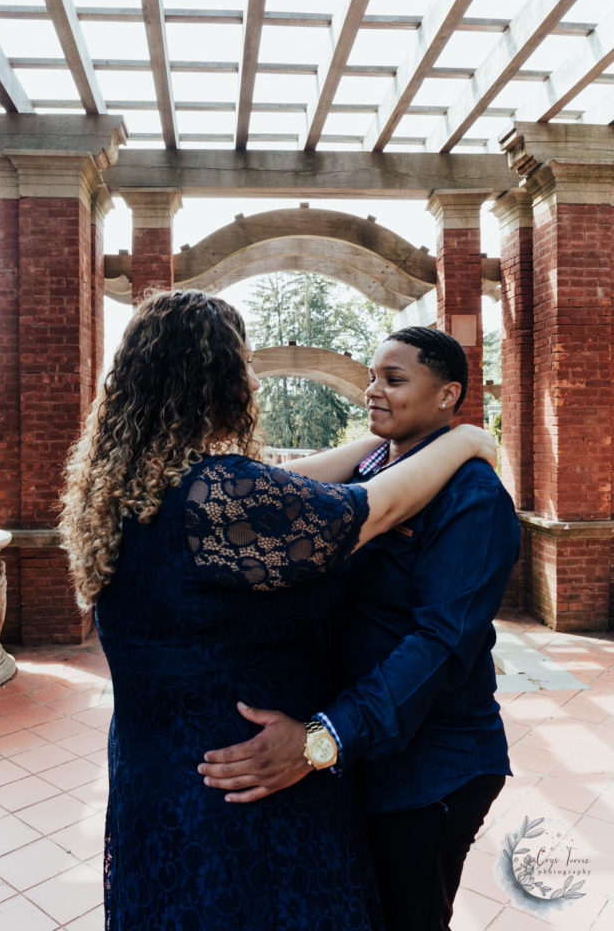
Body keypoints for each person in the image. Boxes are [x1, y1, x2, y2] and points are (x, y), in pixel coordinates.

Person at [59, 293, 497, 931]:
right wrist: (468, 441)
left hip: (158, 775)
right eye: (243, 363)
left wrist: (379, 450)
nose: (253, 378)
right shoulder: (218, 495)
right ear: (214, 378)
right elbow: (368, 509)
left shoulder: (135, 484)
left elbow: (302, 488)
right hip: (244, 792)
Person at [201, 326, 520, 931]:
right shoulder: (371, 467)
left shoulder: (473, 498)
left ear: (448, 395)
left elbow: (441, 646)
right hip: (361, 752)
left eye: (394, 380)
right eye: (372, 377)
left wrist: (322, 739)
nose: (373, 391)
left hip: (430, 768)